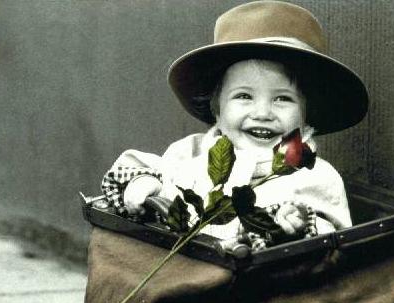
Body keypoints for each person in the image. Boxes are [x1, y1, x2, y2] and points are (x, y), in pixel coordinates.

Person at [101, 0, 368, 242]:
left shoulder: (316, 176)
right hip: (181, 270)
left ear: (306, 113)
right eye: (244, 96)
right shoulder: (189, 152)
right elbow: (147, 172)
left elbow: (329, 239)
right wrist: (144, 183)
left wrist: (295, 224)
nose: (262, 113)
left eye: (282, 99)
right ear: (217, 108)